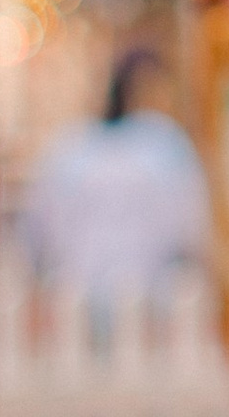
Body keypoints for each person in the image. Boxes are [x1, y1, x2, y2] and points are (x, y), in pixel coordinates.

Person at [19, 46, 209, 308]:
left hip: (81, 295)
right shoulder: (164, 144)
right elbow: (192, 229)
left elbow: (37, 234)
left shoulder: (70, 148)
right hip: (145, 300)